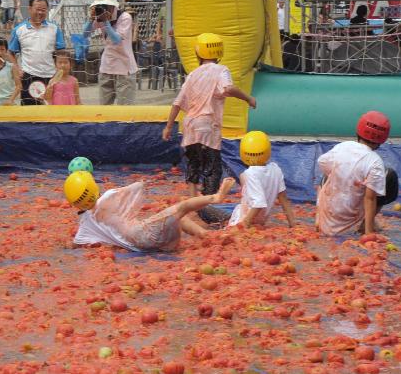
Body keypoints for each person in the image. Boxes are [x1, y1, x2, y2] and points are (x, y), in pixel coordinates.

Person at [162, 33, 257, 224]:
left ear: (198, 53)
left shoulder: (192, 75)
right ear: (219, 52)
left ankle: (191, 208)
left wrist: (169, 126)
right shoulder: (221, 70)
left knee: (193, 167)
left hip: (190, 127)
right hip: (208, 127)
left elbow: (177, 102)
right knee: (211, 170)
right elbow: (228, 89)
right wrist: (248, 98)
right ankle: (204, 209)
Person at [69, 171, 237, 252]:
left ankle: (204, 235)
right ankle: (216, 197)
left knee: (178, 219)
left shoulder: (84, 224)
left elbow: (76, 244)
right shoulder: (108, 197)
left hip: (141, 247)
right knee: (181, 207)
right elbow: (138, 187)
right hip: (142, 233)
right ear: (92, 186)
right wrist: (142, 182)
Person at [316, 111, 399, 236]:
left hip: (327, 222)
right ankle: (365, 225)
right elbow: (370, 198)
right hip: (351, 223)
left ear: (358, 131)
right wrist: (369, 234)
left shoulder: (343, 146)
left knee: (328, 175)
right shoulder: (375, 162)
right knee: (389, 176)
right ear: (382, 140)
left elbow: (322, 162)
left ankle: (318, 220)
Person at [227, 131, 296, 228]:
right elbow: (284, 199)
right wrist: (293, 225)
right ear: (268, 151)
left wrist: (244, 224)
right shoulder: (276, 169)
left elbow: (258, 203)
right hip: (260, 225)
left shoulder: (250, 174)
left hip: (243, 222)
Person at [82, 0, 138, 105]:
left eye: (104, 6)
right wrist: (91, 19)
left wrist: (106, 23)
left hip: (124, 68)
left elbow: (117, 40)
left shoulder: (125, 17)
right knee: (104, 108)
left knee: (125, 110)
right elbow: (85, 34)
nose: (102, 9)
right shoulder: (99, 18)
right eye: (99, 6)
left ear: (112, 5)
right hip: (107, 67)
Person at [8, 0, 66, 105]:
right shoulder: (19, 30)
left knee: (52, 112)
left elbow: (61, 52)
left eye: (43, 10)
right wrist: (17, 69)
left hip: (51, 77)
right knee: (30, 113)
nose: (40, 13)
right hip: (29, 77)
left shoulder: (54, 29)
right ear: (29, 9)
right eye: (37, 9)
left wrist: (59, 72)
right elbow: (11, 53)